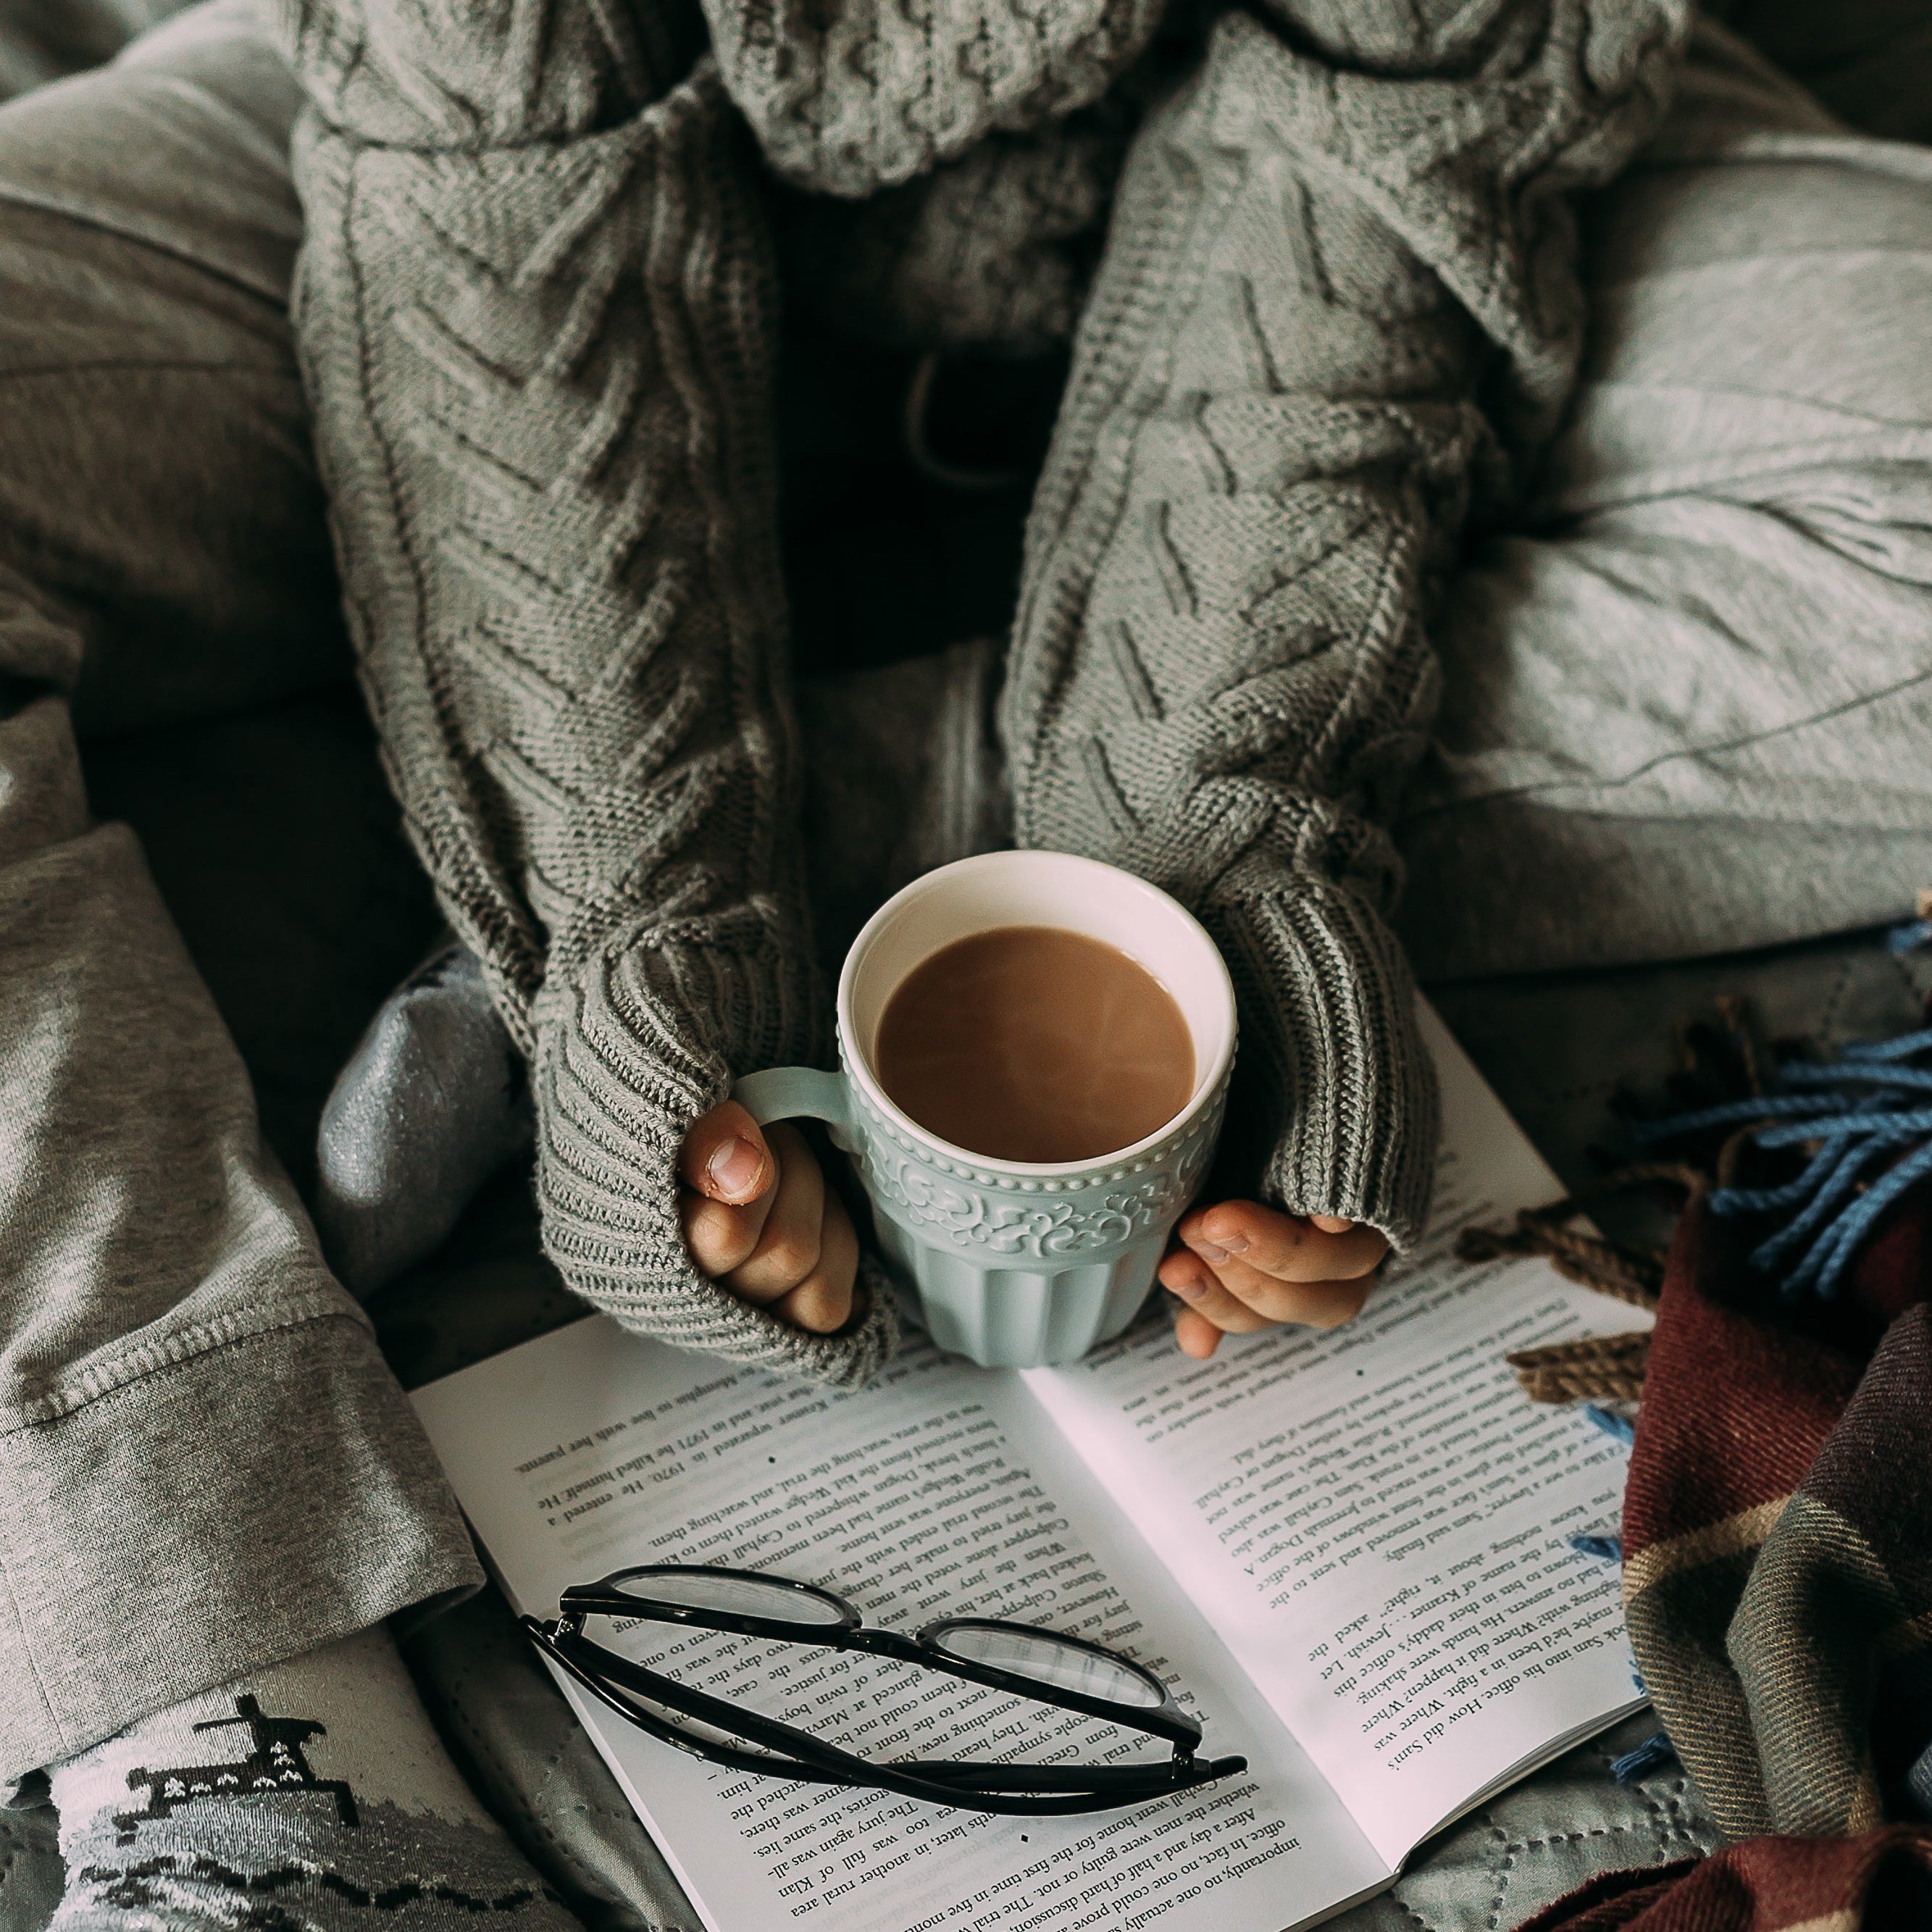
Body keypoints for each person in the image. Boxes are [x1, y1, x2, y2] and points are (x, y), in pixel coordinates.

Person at [4, 0, 1932, 1926]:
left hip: (1350, 148)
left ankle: (741, 818)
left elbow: (1379, 124)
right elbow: (500, 202)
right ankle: (262, 1755)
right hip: (477, 152)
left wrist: (1223, 853)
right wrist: (639, 945)